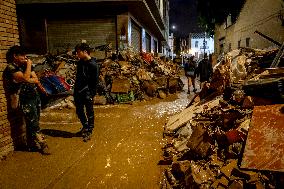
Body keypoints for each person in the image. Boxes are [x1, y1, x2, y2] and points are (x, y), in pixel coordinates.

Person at [5, 45, 50, 155]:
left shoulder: (25, 66)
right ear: (15, 56)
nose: (26, 57)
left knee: (34, 120)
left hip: (34, 95)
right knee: (32, 121)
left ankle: (31, 144)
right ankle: (42, 142)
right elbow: (25, 78)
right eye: (23, 55)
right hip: (24, 98)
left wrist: (29, 77)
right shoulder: (11, 68)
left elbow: (35, 79)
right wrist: (29, 67)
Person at [74, 43, 99, 142]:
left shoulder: (93, 65)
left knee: (90, 112)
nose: (77, 55)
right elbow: (78, 77)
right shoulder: (80, 63)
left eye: (78, 52)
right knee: (79, 111)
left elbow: (95, 82)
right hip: (78, 91)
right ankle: (85, 126)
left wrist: (91, 95)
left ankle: (89, 131)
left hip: (87, 92)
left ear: (85, 52)